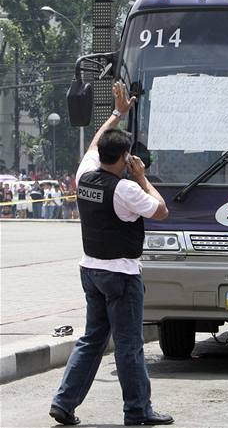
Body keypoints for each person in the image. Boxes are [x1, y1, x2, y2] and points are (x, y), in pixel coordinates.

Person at [49, 81, 173, 426]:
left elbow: (94, 141)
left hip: (90, 271)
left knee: (91, 339)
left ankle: (64, 402)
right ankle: (138, 411)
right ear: (124, 158)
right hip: (121, 275)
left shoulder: (84, 176)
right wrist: (144, 177)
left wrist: (117, 114)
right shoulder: (127, 189)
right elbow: (161, 210)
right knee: (129, 345)